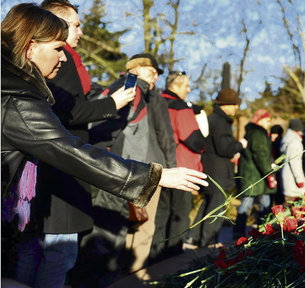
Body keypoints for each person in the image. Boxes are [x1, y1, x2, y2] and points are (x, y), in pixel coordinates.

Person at [1, 4, 207, 288]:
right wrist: (154, 175)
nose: (64, 58)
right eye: (58, 48)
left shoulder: (15, 87)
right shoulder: (18, 98)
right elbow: (69, 150)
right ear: (31, 47)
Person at [78, 53, 177, 283]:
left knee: (123, 225)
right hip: (127, 168)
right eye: (152, 71)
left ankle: (114, 275)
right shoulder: (130, 87)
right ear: (138, 69)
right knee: (116, 227)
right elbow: (109, 126)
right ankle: (107, 277)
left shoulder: (145, 93)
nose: (156, 77)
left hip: (128, 167)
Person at [150, 71, 206, 261]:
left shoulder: (156, 102)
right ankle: (173, 259)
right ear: (175, 85)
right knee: (179, 216)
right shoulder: (180, 107)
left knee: (160, 215)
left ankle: (154, 258)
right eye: (186, 86)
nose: (189, 90)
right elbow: (194, 140)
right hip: (181, 169)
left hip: (159, 167)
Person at [186, 89, 247, 248]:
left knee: (207, 204)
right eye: (234, 104)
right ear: (225, 105)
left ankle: (193, 237)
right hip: (217, 171)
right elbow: (224, 148)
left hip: (211, 170)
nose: (236, 108)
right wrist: (240, 145)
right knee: (217, 207)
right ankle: (208, 242)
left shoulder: (214, 119)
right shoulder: (220, 122)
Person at [233, 109, 277, 238]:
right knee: (261, 204)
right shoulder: (258, 134)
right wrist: (269, 173)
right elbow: (261, 155)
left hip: (251, 174)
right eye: (267, 120)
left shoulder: (250, 132)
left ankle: (240, 231)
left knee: (249, 203)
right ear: (260, 120)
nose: (268, 123)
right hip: (257, 176)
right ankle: (264, 231)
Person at [280, 119, 305, 205]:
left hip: (287, 177)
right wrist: (299, 179)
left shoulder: (286, 139)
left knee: (287, 203)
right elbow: (295, 162)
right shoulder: (295, 142)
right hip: (293, 180)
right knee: (291, 208)